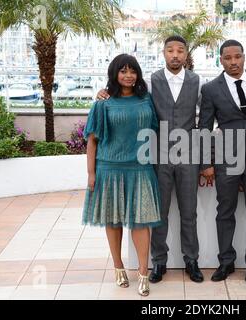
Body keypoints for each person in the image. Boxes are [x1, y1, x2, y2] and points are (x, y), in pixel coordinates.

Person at [96, 36, 204, 283]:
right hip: (157, 155)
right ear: (163, 54)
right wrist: (104, 92)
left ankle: (192, 260)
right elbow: (128, 98)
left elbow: (207, 116)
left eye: (180, 51)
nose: (175, 55)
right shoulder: (151, 83)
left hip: (188, 155)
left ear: (186, 54)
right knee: (159, 213)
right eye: (170, 50)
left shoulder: (198, 82)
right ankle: (159, 262)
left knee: (189, 212)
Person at [82, 54, 161, 296]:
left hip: (140, 168)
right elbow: (92, 141)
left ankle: (143, 273)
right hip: (110, 168)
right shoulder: (103, 103)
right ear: (114, 74)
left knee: (141, 221)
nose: (128, 76)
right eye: (123, 71)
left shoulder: (146, 99)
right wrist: (91, 174)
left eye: (133, 71)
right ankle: (118, 268)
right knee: (113, 220)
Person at [199, 40, 246, 285]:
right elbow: (205, 127)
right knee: (225, 212)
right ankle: (226, 262)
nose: (233, 62)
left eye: (237, 57)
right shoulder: (210, 89)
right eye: (228, 58)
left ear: (244, 56)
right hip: (226, 158)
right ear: (221, 60)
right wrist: (206, 163)